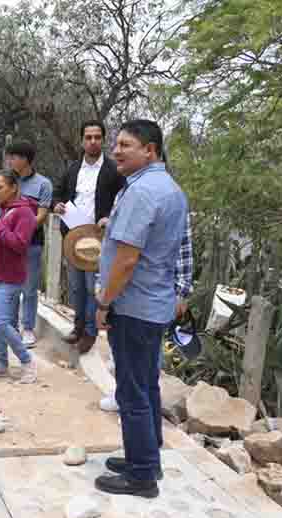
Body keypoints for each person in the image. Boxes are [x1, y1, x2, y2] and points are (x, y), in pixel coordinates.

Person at [94, 119, 188, 498]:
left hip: (134, 306)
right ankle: (148, 456)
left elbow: (127, 260)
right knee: (146, 384)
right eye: (116, 144)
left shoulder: (142, 193)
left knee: (131, 391)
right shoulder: (169, 188)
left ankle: (141, 475)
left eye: (124, 145)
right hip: (154, 304)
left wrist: (104, 301)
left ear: (149, 150)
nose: (116, 151)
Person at [99, 212, 194, 413]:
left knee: (148, 355)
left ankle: (140, 405)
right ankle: (126, 395)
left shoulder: (167, 200)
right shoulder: (129, 194)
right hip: (124, 292)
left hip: (151, 295)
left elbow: (183, 248)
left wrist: (182, 291)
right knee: (121, 350)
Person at [52, 121, 126, 354]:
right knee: (76, 287)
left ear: (103, 140)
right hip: (73, 238)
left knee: (91, 287)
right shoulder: (73, 168)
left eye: (97, 137)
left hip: (98, 239)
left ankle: (91, 334)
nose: (92, 141)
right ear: (82, 140)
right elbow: (58, 192)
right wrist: (57, 205)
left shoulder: (113, 171)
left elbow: (125, 199)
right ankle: (78, 327)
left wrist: (109, 219)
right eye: (88, 137)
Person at [0, 170, 39, 383]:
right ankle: (1, 362)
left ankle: (27, 361)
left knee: (0, 323)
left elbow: (19, 244)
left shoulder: (24, 213)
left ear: (13, 187)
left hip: (10, 276)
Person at [4, 141, 53, 348]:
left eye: (13, 157)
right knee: (10, 286)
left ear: (25, 159)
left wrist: (22, 231)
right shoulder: (7, 181)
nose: (10, 161)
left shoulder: (43, 184)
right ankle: (10, 327)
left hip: (31, 243)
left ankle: (28, 328)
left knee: (29, 288)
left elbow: (41, 215)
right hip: (7, 243)